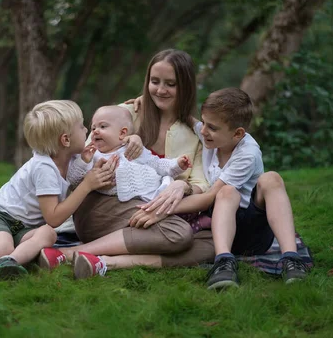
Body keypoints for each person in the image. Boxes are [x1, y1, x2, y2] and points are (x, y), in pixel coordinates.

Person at [38, 49, 215, 278]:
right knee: (179, 234)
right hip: (102, 205)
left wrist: (183, 186)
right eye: (154, 81)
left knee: (212, 243)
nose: (160, 90)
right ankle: (70, 253)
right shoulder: (127, 112)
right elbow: (85, 151)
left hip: (147, 212)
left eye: (170, 84)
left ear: (186, 86)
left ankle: (103, 263)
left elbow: (201, 183)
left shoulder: (195, 134)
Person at [130, 88, 308, 288]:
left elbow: (210, 197)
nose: (203, 130)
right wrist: (150, 101)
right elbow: (185, 116)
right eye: (204, 123)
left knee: (269, 179)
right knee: (226, 192)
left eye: (212, 127)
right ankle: (224, 262)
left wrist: (161, 210)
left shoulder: (247, 153)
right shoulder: (209, 134)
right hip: (218, 228)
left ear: (238, 133)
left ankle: (291, 259)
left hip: (251, 232)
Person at [0, 100, 117, 285]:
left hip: (23, 226)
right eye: (82, 126)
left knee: (49, 235)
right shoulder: (44, 168)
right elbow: (54, 218)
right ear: (65, 139)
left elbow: (78, 175)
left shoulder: (71, 157)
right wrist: (87, 185)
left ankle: (8, 263)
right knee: (2, 245)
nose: (87, 131)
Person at [67, 105, 192, 202]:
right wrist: (83, 161)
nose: (95, 131)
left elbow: (156, 163)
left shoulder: (132, 149)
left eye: (103, 126)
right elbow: (74, 180)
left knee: (169, 190)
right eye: (93, 128)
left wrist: (177, 164)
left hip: (155, 188)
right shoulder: (93, 156)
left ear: (122, 133)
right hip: (128, 202)